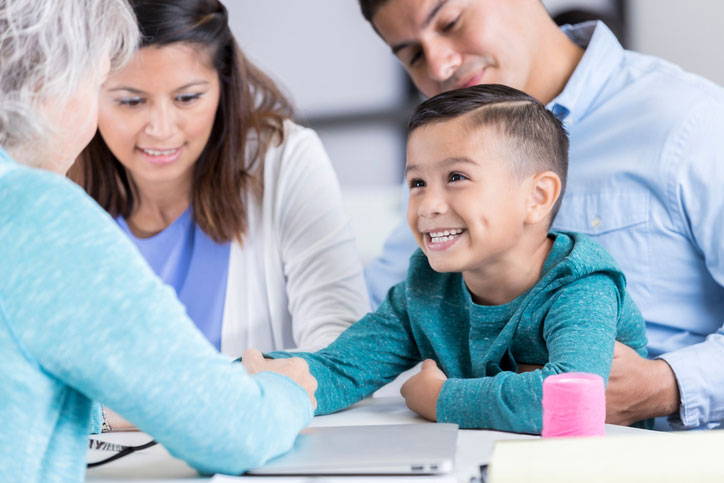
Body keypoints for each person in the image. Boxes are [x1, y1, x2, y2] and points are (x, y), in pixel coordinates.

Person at [358, 0, 724, 430]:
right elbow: (369, 321)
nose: (440, 65)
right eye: (414, 55)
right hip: (476, 451)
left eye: (450, 22)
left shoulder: (691, 122)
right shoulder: (439, 177)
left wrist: (664, 385)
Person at [0, 0, 317, 480]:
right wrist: (286, 389)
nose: (159, 127)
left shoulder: (284, 158)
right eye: (113, 89)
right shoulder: (36, 213)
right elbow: (234, 433)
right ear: (59, 79)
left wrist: (126, 405)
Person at [244, 84, 649, 434]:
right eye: (417, 183)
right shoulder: (424, 290)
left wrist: (440, 398)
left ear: (537, 197)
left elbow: (574, 400)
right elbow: (343, 368)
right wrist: (279, 374)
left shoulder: (582, 286)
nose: (428, 205)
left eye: (456, 177)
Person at [70, 0, 369, 358]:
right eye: (132, 101)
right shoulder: (53, 186)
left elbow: (344, 355)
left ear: (223, 85)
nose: (161, 129)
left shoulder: (284, 159)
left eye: (187, 98)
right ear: (85, 92)